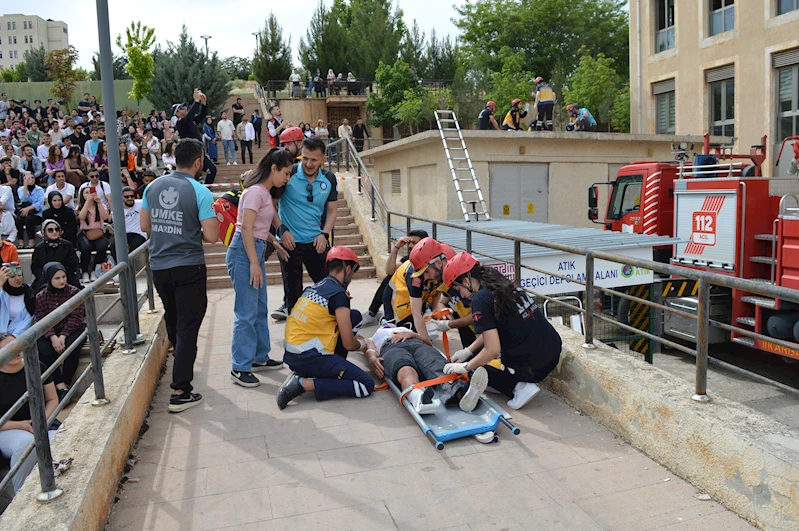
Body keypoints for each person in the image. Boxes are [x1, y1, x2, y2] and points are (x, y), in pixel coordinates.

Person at [140, 138, 219, 413]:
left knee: (175, 321)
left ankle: (181, 366)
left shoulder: (152, 186)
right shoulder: (199, 191)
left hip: (160, 267)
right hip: (189, 266)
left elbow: (144, 225)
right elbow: (211, 236)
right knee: (187, 326)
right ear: (198, 162)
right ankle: (180, 389)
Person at [442, 252, 562, 410]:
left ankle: (520, 387)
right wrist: (469, 350)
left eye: (458, 289)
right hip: (553, 351)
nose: (461, 294)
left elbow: (492, 349)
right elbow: (492, 329)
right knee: (479, 363)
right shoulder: (501, 284)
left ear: (466, 281)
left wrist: (466, 366)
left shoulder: (480, 300)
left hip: (531, 367)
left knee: (478, 369)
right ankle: (519, 381)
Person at [226, 148, 293, 388]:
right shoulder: (255, 192)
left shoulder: (264, 193)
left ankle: (259, 357)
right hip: (244, 253)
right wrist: (254, 262)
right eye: (285, 173)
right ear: (273, 168)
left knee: (259, 307)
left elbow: (264, 223)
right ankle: (239, 366)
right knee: (245, 312)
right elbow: (245, 228)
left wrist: (277, 237)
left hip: (253, 248)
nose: (287, 178)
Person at [277, 247, 374, 409]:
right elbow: (349, 344)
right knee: (365, 384)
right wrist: (364, 345)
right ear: (348, 269)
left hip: (294, 354)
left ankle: (326, 369)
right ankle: (303, 384)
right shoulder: (338, 295)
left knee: (354, 316)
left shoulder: (316, 287)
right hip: (310, 357)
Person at [270, 137, 338, 317]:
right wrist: (281, 230)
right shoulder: (288, 173)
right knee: (293, 295)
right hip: (289, 244)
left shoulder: (329, 179)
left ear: (323, 158)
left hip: (317, 241)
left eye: (314, 159)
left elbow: (332, 211)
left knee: (329, 289)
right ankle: (295, 338)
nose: (308, 163)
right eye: (305, 158)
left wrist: (324, 234)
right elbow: (270, 204)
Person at [365, 325, 488, 415]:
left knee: (438, 366)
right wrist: (372, 358)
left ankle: (461, 394)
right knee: (406, 370)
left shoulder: (405, 328)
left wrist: (414, 335)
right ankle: (420, 398)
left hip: (417, 343)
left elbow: (428, 343)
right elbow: (369, 347)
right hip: (390, 347)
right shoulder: (376, 335)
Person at [0, 333, 60, 497]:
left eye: (16, 344)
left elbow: (52, 399)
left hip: (40, 422)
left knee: (59, 439)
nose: (15, 350)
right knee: (27, 443)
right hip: (6, 429)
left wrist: (41, 421)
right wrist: (20, 425)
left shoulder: (36, 365)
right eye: (7, 348)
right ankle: (21, 495)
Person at [35, 262, 87, 402]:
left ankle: (66, 381)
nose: (62, 281)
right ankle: (59, 385)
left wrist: (63, 336)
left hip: (72, 330)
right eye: (57, 278)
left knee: (72, 346)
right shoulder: (41, 296)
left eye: (63, 277)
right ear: (49, 279)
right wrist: (53, 337)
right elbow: (41, 319)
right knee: (44, 350)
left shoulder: (74, 292)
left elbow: (76, 318)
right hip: (50, 331)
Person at [384, 237, 448, 344]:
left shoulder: (442, 268)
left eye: (426, 272)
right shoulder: (415, 276)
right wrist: (427, 343)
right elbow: (416, 313)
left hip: (418, 299)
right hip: (399, 303)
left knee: (426, 329)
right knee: (404, 336)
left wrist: (433, 314)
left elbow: (437, 292)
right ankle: (388, 321)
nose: (426, 277)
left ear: (438, 263)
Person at [361, 229, 429, 327]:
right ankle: (373, 314)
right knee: (388, 279)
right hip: (408, 299)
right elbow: (389, 271)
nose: (410, 246)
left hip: (423, 300)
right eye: (409, 242)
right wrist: (397, 247)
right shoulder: (408, 259)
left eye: (414, 243)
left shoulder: (431, 262)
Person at [173, 88, 217, 184]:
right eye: (181, 108)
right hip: (190, 152)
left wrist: (204, 103)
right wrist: (196, 101)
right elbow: (189, 116)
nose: (184, 109)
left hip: (198, 150)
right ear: (177, 113)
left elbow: (202, 115)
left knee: (212, 169)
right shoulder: (181, 123)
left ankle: (205, 189)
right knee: (193, 174)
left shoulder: (189, 121)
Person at [31, 218, 80, 290]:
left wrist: (60, 274)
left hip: (66, 277)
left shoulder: (67, 245)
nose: (54, 232)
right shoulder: (39, 248)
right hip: (45, 278)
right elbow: (35, 267)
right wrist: (48, 275)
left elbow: (73, 264)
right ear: (44, 232)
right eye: (50, 230)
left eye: (56, 229)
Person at [77, 185, 110, 283]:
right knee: (85, 248)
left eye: (90, 192)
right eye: (86, 193)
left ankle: (95, 271)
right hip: (85, 232)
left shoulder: (100, 205)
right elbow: (81, 217)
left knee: (102, 246)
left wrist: (99, 202)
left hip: (98, 232)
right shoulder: (80, 207)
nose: (89, 194)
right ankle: (85, 272)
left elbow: (105, 217)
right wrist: (87, 202)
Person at [0, 265, 35, 337]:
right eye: (12, 277)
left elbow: (29, 318)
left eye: (19, 275)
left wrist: (14, 336)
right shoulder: (2, 293)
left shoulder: (29, 294)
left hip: (19, 336)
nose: (18, 278)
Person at [16, 172, 44, 249]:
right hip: (24, 211)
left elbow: (39, 203)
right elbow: (23, 199)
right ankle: (20, 241)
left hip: (36, 213)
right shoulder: (20, 189)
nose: (31, 180)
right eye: (28, 178)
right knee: (18, 220)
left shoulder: (39, 189)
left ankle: (31, 241)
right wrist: (25, 187)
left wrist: (29, 208)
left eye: (32, 178)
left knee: (29, 220)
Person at [118, 186, 148, 254]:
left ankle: (128, 264)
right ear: (122, 198)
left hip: (139, 234)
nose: (130, 198)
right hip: (124, 234)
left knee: (134, 247)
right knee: (113, 247)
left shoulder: (141, 203)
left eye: (132, 196)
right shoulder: (118, 209)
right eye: (127, 197)